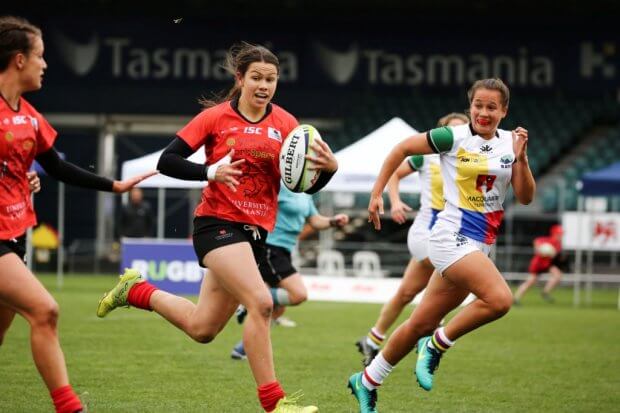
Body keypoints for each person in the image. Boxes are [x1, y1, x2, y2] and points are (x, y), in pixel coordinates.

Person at [96, 42, 338, 413]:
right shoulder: (215, 118)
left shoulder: (287, 125)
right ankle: (275, 404)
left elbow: (298, 184)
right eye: (256, 77)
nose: (264, 85)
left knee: (202, 329)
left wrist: (328, 171)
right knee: (260, 303)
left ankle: (136, 291)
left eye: (271, 79)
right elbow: (168, 160)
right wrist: (209, 172)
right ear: (240, 79)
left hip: (256, 234)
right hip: (217, 225)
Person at [348, 78, 535, 413]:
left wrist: (521, 160)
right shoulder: (453, 136)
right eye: (478, 104)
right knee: (500, 300)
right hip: (450, 237)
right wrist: (378, 194)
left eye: (492, 106)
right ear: (470, 106)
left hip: (481, 245)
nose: (483, 112)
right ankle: (437, 344)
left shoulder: (512, 143)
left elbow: (525, 197)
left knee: (418, 322)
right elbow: (401, 149)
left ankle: (366, 381)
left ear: (504, 111)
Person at [0, 15, 156, 413]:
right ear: (19, 60)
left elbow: (54, 166)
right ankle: (70, 408)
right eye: (40, 56)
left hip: (15, 232)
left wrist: (114, 186)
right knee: (45, 310)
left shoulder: (30, 117)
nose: (45, 64)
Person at [355, 113, 468, 367]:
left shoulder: (470, 159)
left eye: (463, 128)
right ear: (442, 132)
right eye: (453, 129)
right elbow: (394, 173)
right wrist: (394, 202)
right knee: (448, 282)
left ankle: (372, 341)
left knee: (406, 293)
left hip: (448, 233)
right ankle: (428, 339)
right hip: (425, 233)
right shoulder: (427, 155)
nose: (458, 134)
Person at [231, 184, 349, 359]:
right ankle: (249, 299)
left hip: (285, 250)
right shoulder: (279, 186)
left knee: (277, 309)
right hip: (271, 247)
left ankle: (243, 348)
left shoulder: (305, 193)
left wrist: (333, 221)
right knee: (298, 294)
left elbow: (315, 220)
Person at [513, 224, 566, 304]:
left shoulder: (558, 244)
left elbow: (554, 255)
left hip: (547, 264)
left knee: (557, 275)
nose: (561, 236)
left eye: (561, 234)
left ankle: (545, 292)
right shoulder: (548, 240)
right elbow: (536, 241)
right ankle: (516, 298)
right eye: (560, 234)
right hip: (537, 264)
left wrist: (553, 254)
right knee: (530, 282)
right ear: (555, 234)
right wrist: (539, 249)